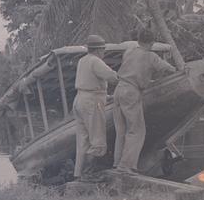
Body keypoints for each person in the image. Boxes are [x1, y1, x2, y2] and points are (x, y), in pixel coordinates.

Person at [113, 27, 176, 174]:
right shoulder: (151, 56)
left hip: (119, 89)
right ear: (152, 43)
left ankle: (117, 163)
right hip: (131, 92)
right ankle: (126, 165)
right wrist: (179, 70)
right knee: (136, 130)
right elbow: (167, 68)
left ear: (138, 40)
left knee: (121, 131)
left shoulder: (129, 51)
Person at [73, 34, 118, 181]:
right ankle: (89, 174)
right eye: (103, 49)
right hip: (92, 101)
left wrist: (105, 96)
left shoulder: (82, 61)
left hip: (80, 99)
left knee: (83, 140)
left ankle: (79, 174)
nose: (104, 52)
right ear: (99, 49)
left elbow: (89, 82)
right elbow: (112, 76)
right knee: (98, 140)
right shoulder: (95, 61)